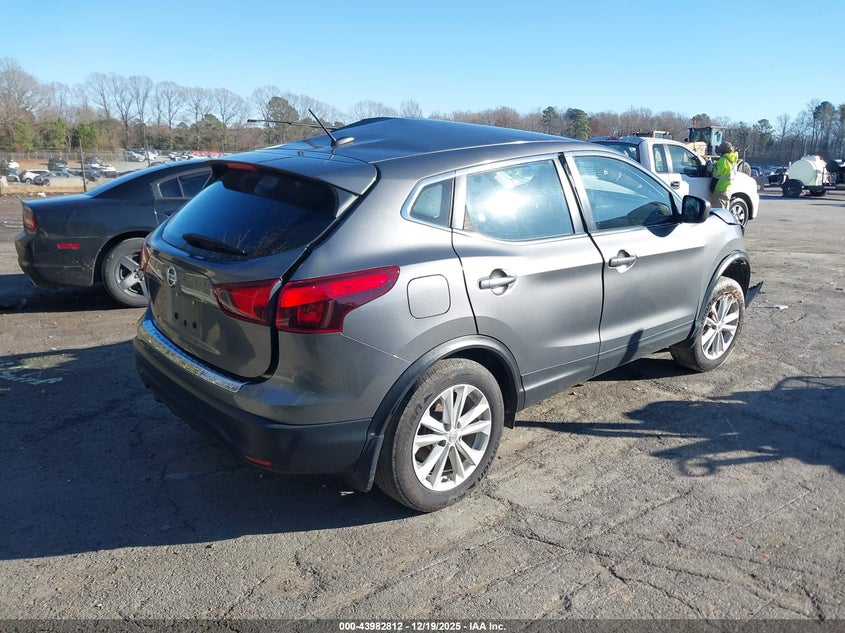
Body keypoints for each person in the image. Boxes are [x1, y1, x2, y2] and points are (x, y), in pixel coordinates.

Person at [709, 142, 739, 210]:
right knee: (725, 213)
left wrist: (712, 166)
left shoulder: (723, 160)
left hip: (720, 189)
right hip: (728, 189)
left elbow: (715, 173)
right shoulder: (733, 159)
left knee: (718, 214)